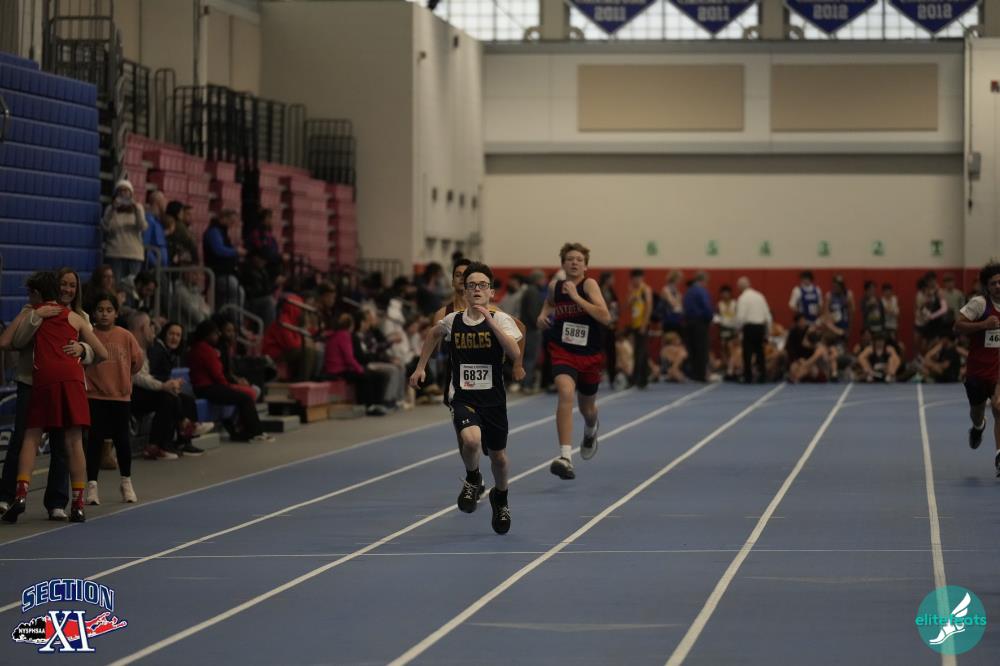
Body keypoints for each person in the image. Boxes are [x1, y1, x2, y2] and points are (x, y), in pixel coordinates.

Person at [409, 262, 522, 534]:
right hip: (463, 396)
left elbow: (514, 352)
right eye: (472, 285)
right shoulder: (453, 320)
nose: (477, 289)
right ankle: (473, 478)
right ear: (465, 291)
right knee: (471, 441)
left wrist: (490, 321)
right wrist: (421, 367)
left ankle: (500, 498)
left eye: (482, 285)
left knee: (499, 459)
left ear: (491, 292)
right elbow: (433, 334)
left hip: (493, 400)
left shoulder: (501, 319)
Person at [1, 272, 108, 523]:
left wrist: (82, 349)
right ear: (56, 288)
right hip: (69, 380)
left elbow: (7, 341)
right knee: (74, 441)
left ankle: (22, 495)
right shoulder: (72, 317)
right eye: (64, 285)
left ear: (38, 293)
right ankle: (78, 503)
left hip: (44, 378)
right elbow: (104, 353)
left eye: (72, 285)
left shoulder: (38, 312)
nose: (68, 289)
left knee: (31, 437)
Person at [537, 243, 612, 480]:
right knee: (565, 392)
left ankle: (591, 429)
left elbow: (605, 317)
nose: (574, 262)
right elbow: (549, 303)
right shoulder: (555, 286)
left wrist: (577, 297)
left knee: (587, 409)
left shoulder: (589, 285)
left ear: (585, 265)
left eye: (579, 259)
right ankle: (566, 457)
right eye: (570, 259)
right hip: (563, 350)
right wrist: (542, 316)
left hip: (589, 354)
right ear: (563, 264)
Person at [83, 293, 144, 505]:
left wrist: (124, 376)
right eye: (100, 310)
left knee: (122, 440)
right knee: (95, 440)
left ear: (116, 313)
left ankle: (126, 481)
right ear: (93, 313)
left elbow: (137, 362)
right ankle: (92, 485)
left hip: (120, 396)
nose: (104, 314)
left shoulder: (125, 336)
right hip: (95, 395)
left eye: (109, 310)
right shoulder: (89, 334)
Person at [954, 261, 1000, 474]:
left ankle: (999, 455)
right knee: (977, 412)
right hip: (977, 372)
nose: (998, 286)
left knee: (999, 407)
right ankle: (978, 426)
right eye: (993, 283)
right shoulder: (979, 304)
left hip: (998, 370)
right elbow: (957, 326)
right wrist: (984, 325)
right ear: (986, 287)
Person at [735, 276, 771, 384]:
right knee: (760, 352)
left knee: (747, 353)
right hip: (760, 327)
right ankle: (762, 376)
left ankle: (748, 377)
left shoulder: (742, 298)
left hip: (749, 327)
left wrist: (737, 330)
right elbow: (768, 316)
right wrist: (767, 332)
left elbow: (740, 317)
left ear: (740, 287)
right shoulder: (760, 296)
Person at [626, 269, 652, 389]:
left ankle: (636, 378)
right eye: (634, 279)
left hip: (642, 324)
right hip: (635, 324)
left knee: (640, 352)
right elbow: (627, 305)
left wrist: (644, 325)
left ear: (641, 278)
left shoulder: (645, 290)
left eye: (638, 278)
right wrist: (631, 294)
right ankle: (643, 379)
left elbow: (649, 307)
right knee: (641, 352)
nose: (636, 281)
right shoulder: (634, 290)